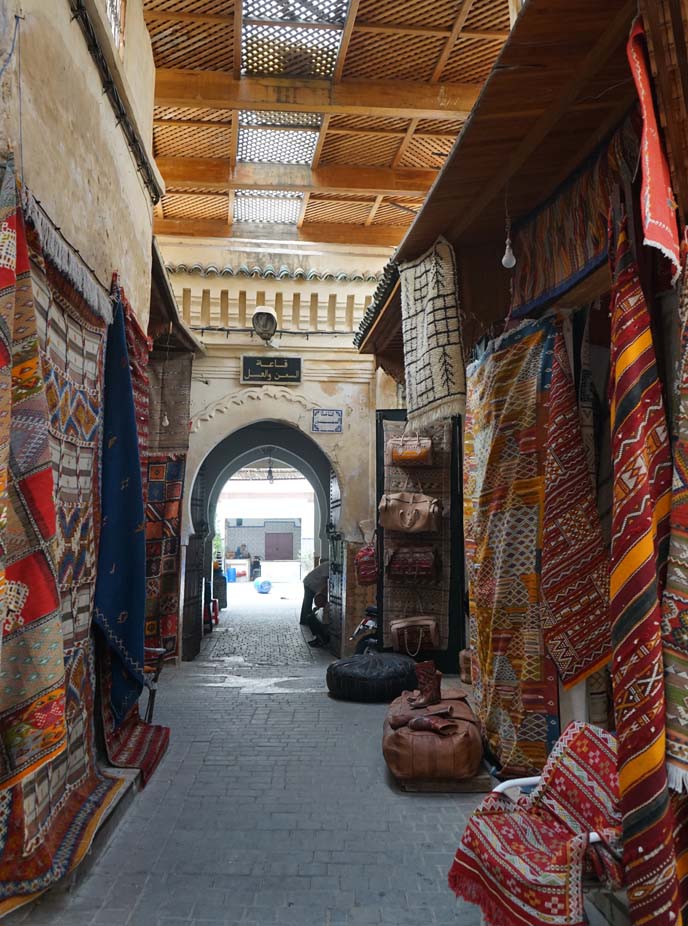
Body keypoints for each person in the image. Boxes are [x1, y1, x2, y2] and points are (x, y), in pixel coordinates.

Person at [300, 559, 330, 647]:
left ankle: (305, 619)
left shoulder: (327, 565)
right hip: (310, 583)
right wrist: (322, 592)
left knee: (307, 602)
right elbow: (325, 581)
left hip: (311, 583)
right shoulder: (327, 566)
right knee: (307, 602)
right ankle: (305, 620)